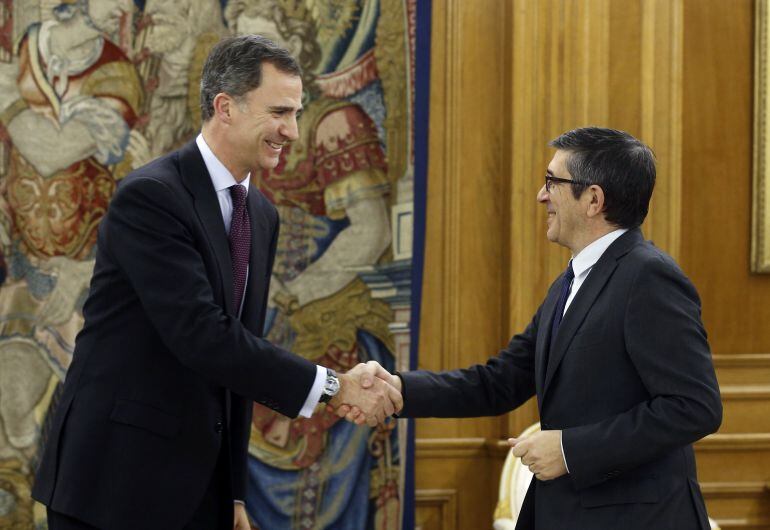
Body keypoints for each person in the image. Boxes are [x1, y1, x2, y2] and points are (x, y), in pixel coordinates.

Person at [30, 35, 402, 530]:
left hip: (197, 490)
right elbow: (201, 335)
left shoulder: (262, 215)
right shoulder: (153, 197)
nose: (291, 131)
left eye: (296, 113)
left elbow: (239, 351)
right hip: (116, 484)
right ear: (225, 107)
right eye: (279, 112)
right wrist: (333, 386)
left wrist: (233, 494)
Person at [345, 127, 723, 529]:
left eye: (552, 182)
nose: (542, 196)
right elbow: (502, 380)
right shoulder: (572, 280)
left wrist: (570, 450)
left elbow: (695, 408)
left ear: (593, 199)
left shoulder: (649, 278)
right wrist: (399, 390)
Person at [224, 3, 399, 529]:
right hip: (253, 339)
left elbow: (371, 229)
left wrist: (293, 291)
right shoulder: (205, 170)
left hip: (318, 310)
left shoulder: (334, 123)